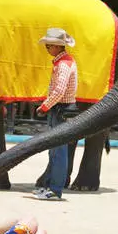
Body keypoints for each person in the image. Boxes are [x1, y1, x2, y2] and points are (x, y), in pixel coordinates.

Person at [33, 28, 78, 200]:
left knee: (58, 151)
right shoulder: (64, 62)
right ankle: (51, 186)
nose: (47, 49)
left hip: (61, 109)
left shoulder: (63, 64)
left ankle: (55, 189)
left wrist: (44, 107)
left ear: (58, 47)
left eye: (49, 46)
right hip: (61, 109)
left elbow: (59, 90)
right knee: (55, 150)